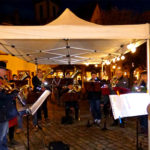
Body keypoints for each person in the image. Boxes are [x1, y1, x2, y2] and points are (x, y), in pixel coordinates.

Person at [0, 61, 18, 150]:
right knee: (2, 135)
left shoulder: (3, 80)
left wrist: (12, 92)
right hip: (1, 111)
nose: (5, 72)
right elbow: (1, 96)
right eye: (4, 70)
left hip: (5, 111)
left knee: (4, 134)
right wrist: (12, 95)